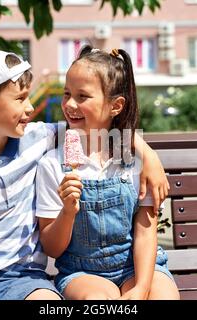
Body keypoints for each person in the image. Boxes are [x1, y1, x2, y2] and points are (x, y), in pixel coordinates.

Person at [0, 49, 169, 300]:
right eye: (21, 98)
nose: (30, 107)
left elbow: (99, 128)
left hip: (20, 280)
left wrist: (149, 156)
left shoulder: (37, 138)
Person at [35, 46, 180, 300]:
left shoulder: (136, 161)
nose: (69, 104)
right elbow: (52, 248)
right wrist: (67, 212)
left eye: (83, 96)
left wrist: (141, 288)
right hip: (81, 272)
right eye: (67, 93)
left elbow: (146, 231)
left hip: (138, 266)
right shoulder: (52, 164)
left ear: (116, 106)